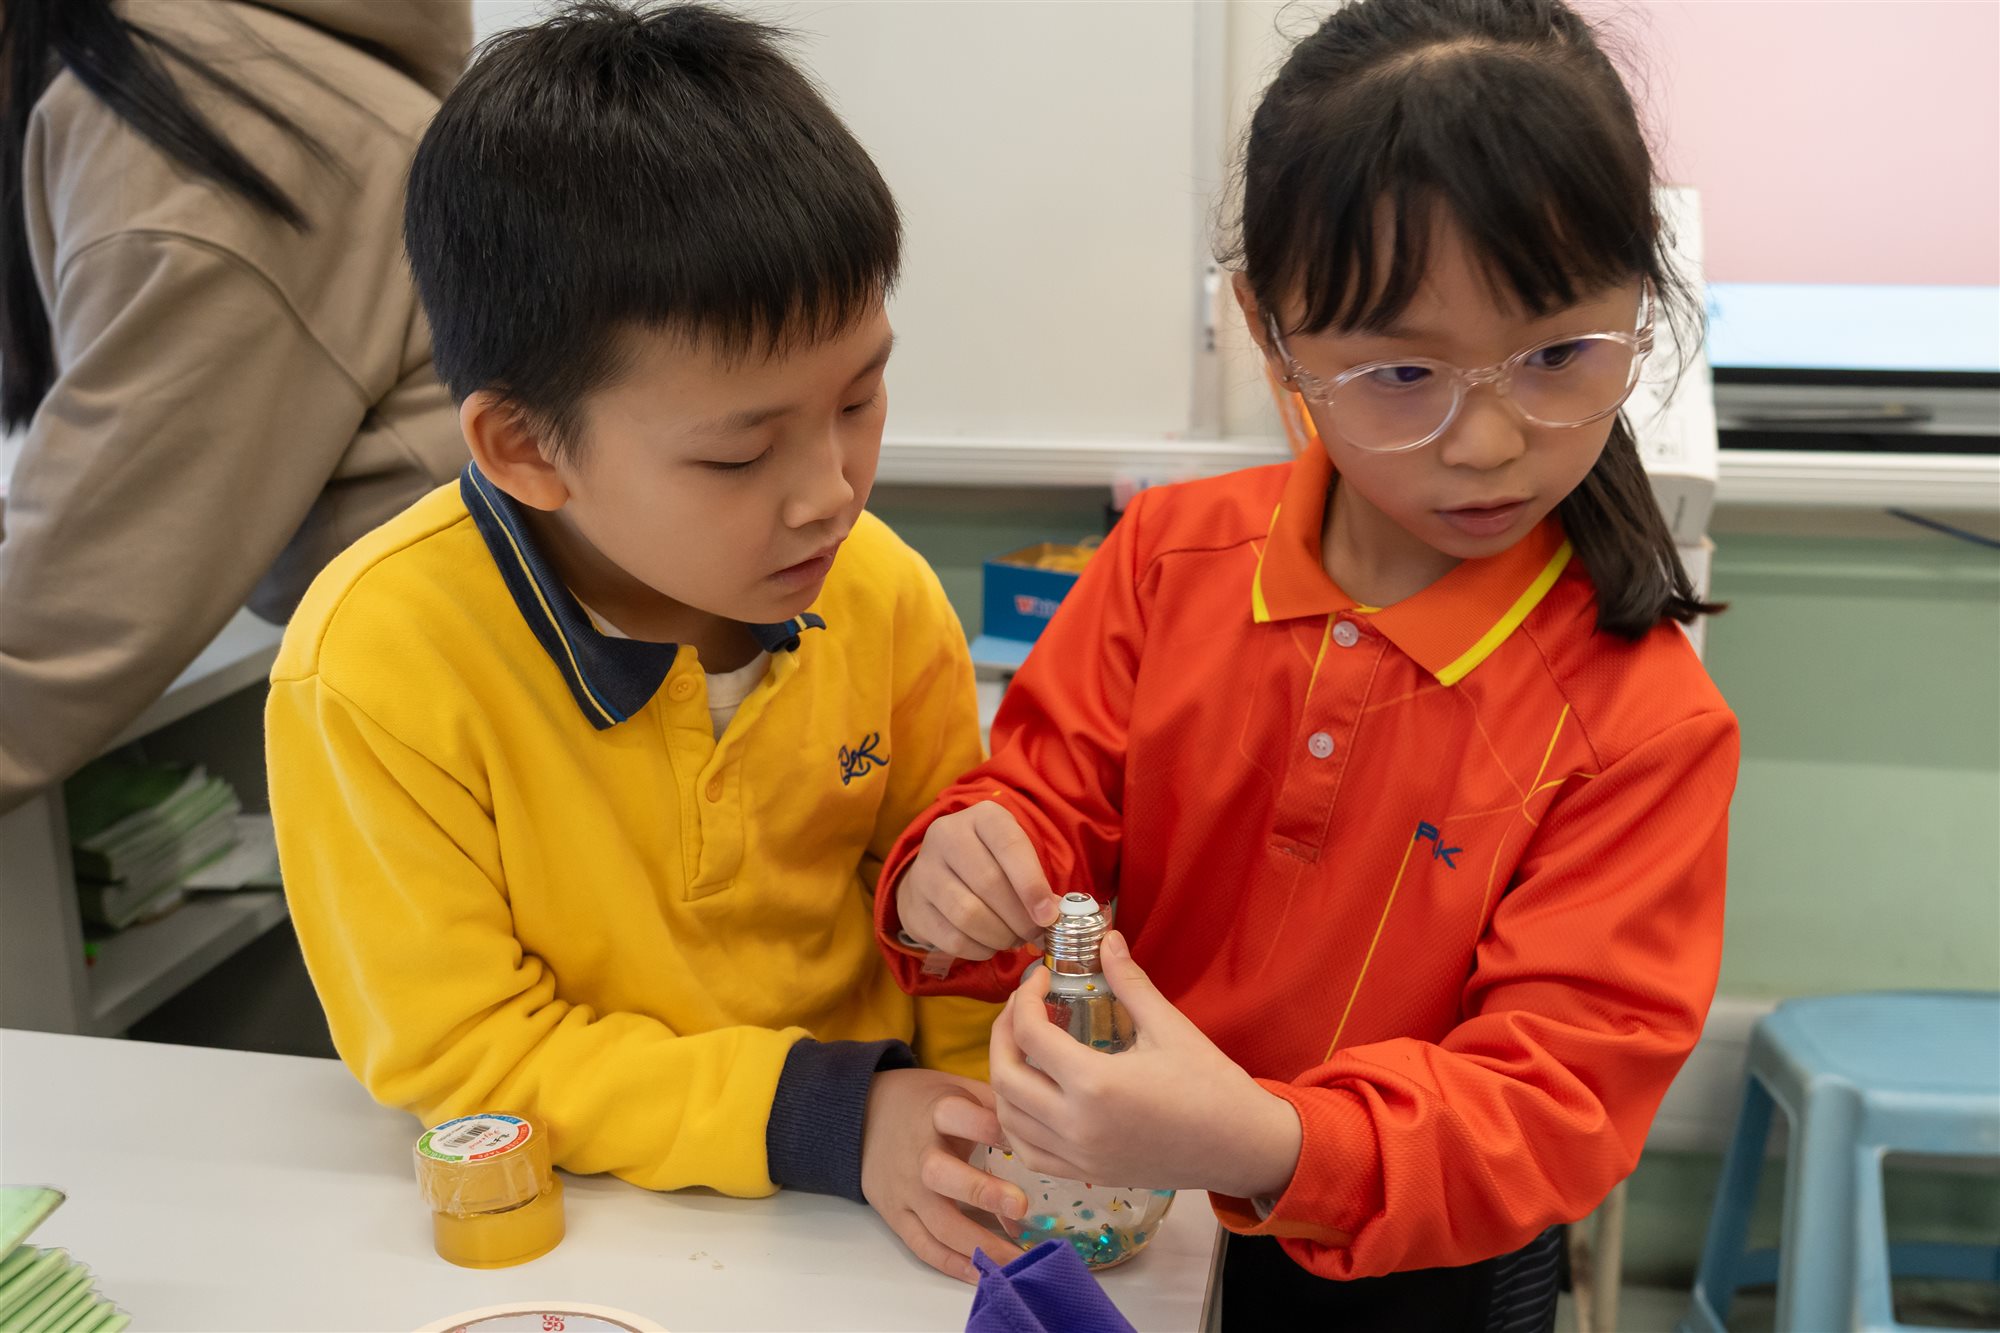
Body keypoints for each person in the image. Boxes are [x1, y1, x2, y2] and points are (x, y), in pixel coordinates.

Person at [875, 0, 1741, 1324]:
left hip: (1426, 1270)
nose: (1489, 443)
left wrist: (1259, 1140)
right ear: (1271, 333)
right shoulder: (1169, 560)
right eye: (1401, 374)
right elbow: (1045, 810)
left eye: (1560, 356)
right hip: (1135, 1215)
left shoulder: (1641, 723)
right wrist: (966, 864)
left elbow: (1549, 1102)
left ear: (1644, 303)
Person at [267, 1, 1019, 1284]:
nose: (830, 491)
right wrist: (832, 1118)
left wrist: (975, 1121)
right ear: (525, 448)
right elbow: (460, 1050)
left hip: (872, 1208)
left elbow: (954, 939)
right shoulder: (375, 662)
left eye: (860, 397)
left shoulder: (884, 594)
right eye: (738, 453)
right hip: (591, 1223)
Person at [0, 0, 471, 811]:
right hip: (480, 679)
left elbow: (60, 634)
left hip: (483, 708)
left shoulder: (179, 110)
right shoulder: (227, 61)